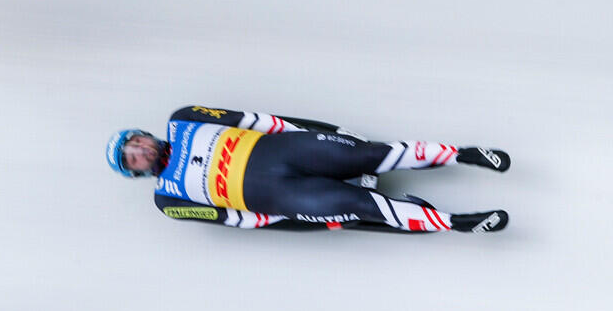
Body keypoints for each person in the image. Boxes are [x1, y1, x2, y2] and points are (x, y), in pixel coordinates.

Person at [106, 105, 510, 234]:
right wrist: (291, 219)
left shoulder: (185, 117)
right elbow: (231, 219)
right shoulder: (167, 200)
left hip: (284, 151)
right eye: (132, 157)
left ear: (143, 134)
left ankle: (465, 154)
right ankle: (457, 223)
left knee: (370, 154)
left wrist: (312, 133)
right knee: (359, 204)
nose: (139, 150)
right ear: (137, 172)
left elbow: (253, 119)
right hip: (279, 198)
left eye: (135, 141)